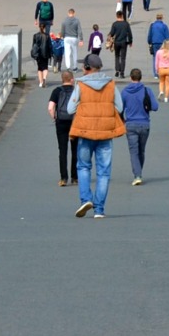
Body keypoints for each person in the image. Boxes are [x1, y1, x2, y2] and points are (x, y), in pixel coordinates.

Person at [67, 54, 124, 218]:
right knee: (104, 172)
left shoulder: (81, 85)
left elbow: (71, 109)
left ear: (86, 68)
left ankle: (86, 199)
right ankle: (99, 209)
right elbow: (119, 107)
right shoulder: (111, 84)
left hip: (85, 132)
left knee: (83, 166)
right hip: (106, 133)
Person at [119, 67, 158, 185]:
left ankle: (137, 175)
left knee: (133, 151)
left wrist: (122, 120)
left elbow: (119, 108)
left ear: (131, 78)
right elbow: (155, 107)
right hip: (144, 124)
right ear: (140, 78)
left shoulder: (125, 92)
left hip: (130, 124)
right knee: (141, 151)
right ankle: (138, 171)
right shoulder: (147, 90)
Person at [48, 70, 78, 186]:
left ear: (62, 79)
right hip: (74, 122)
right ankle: (75, 177)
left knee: (62, 150)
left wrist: (55, 117)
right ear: (72, 79)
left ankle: (63, 178)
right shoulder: (76, 91)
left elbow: (51, 108)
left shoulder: (56, 91)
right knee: (75, 150)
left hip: (61, 122)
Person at [108, 10, 133, 78]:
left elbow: (112, 33)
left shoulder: (114, 24)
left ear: (117, 16)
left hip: (116, 42)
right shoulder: (126, 24)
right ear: (122, 16)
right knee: (123, 58)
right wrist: (130, 42)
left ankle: (117, 71)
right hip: (124, 42)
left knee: (117, 56)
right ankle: (122, 73)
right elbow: (130, 34)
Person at [60, 7, 83, 72]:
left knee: (67, 53)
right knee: (74, 52)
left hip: (66, 38)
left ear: (68, 13)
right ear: (74, 13)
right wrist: (81, 39)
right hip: (74, 38)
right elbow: (79, 30)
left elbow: (62, 30)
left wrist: (62, 36)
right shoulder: (76, 20)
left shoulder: (65, 20)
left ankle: (68, 67)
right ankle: (75, 67)